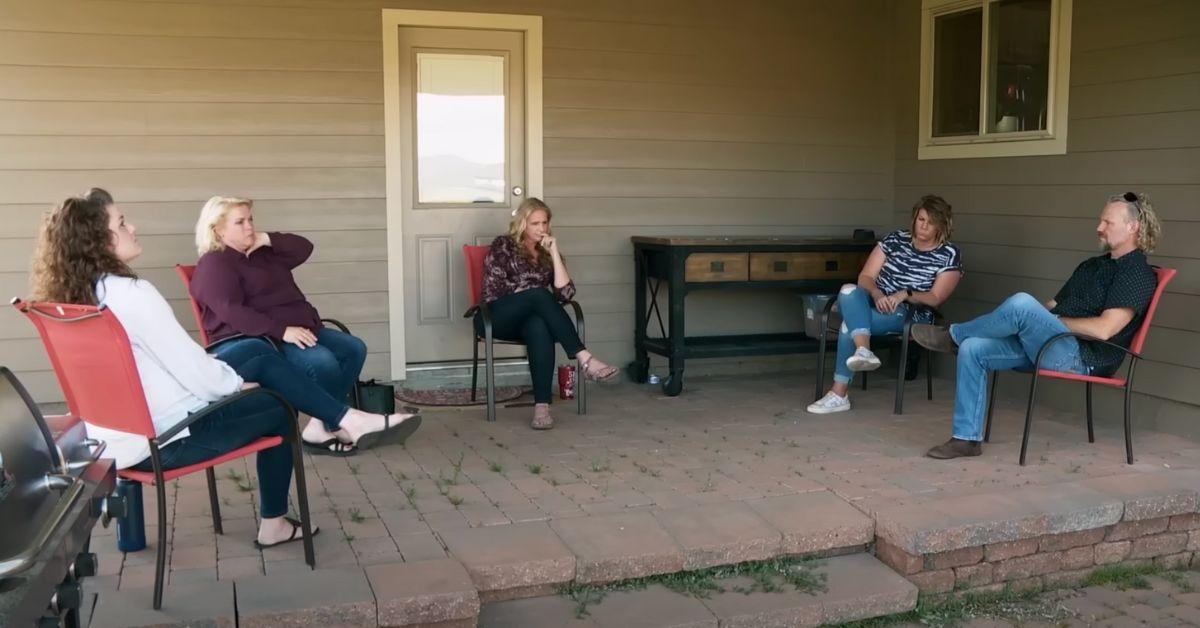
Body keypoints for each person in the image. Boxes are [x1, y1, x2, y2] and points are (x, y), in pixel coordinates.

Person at [29, 195, 420, 548]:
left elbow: (168, 364)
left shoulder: (81, 297)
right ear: (98, 242)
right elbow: (194, 372)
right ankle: (276, 522)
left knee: (251, 350)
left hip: (112, 436)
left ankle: (345, 418)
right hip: (165, 437)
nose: (133, 227)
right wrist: (236, 385)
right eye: (122, 223)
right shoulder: (133, 295)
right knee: (279, 408)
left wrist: (231, 377)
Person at [912, 192, 1162, 459]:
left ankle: (953, 336)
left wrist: (1047, 321)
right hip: (1048, 345)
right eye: (1100, 221)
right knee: (973, 348)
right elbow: (1052, 306)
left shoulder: (1136, 274)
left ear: (1133, 227)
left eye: (1107, 223)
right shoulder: (1092, 266)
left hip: (1083, 356)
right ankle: (966, 440)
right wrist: (1033, 322)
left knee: (1021, 303)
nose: (1098, 228)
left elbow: (1104, 330)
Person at [188, 196, 367, 428]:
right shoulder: (215, 263)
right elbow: (231, 311)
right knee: (323, 363)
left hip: (300, 327)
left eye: (250, 219)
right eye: (239, 222)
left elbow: (304, 248)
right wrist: (282, 331)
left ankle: (320, 425)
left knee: (354, 349)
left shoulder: (263, 253)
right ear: (218, 229)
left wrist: (266, 238)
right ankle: (334, 423)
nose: (250, 226)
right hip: (262, 338)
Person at [807, 195, 963, 414]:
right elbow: (866, 276)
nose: (924, 226)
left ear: (942, 225)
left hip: (910, 313)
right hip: (872, 302)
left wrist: (905, 294)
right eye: (921, 219)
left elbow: (936, 298)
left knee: (849, 325)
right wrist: (877, 293)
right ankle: (863, 350)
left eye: (930, 222)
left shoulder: (949, 254)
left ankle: (840, 392)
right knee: (848, 289)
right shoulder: (895, 240)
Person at [478, 197, 618, 429]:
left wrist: (553, 253)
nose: (541, 228)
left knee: (538, 325)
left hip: (528, 320)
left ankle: (541, 408)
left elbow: (565, 294)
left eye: (544, 223)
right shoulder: (503, 245)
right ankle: (584, 358)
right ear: (523, 223)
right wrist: (528, 293)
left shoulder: (546, 252)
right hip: (495, 316)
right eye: (535, 223)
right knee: (539, 295)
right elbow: (494, 290)